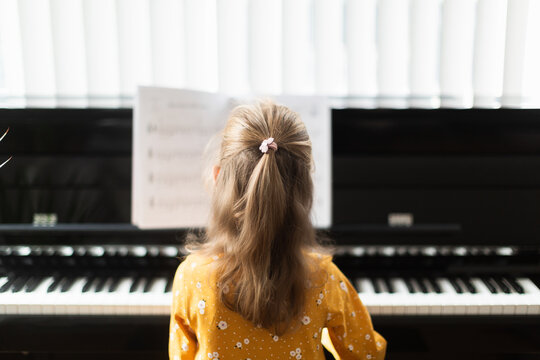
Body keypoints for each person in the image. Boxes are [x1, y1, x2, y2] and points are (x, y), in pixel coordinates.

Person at [169, 101, 386, 360]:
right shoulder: (323, 277)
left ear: (218, 179)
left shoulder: (192, 276)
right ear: (303, 189)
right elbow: (367, 354)